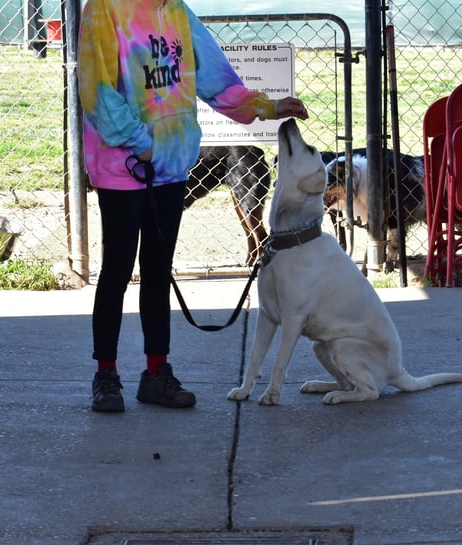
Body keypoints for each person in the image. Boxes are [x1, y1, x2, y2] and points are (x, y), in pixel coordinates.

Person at [78, 0, 308, 413]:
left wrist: (266, 107)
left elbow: (214, 77)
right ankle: (106, 375)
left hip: (170, 165)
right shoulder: (105, 8)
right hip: (123, 165)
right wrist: (140, 142)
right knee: (117, 270)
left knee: (158, 270)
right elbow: (97, 90)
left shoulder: (177, 12)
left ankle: (156, 373)